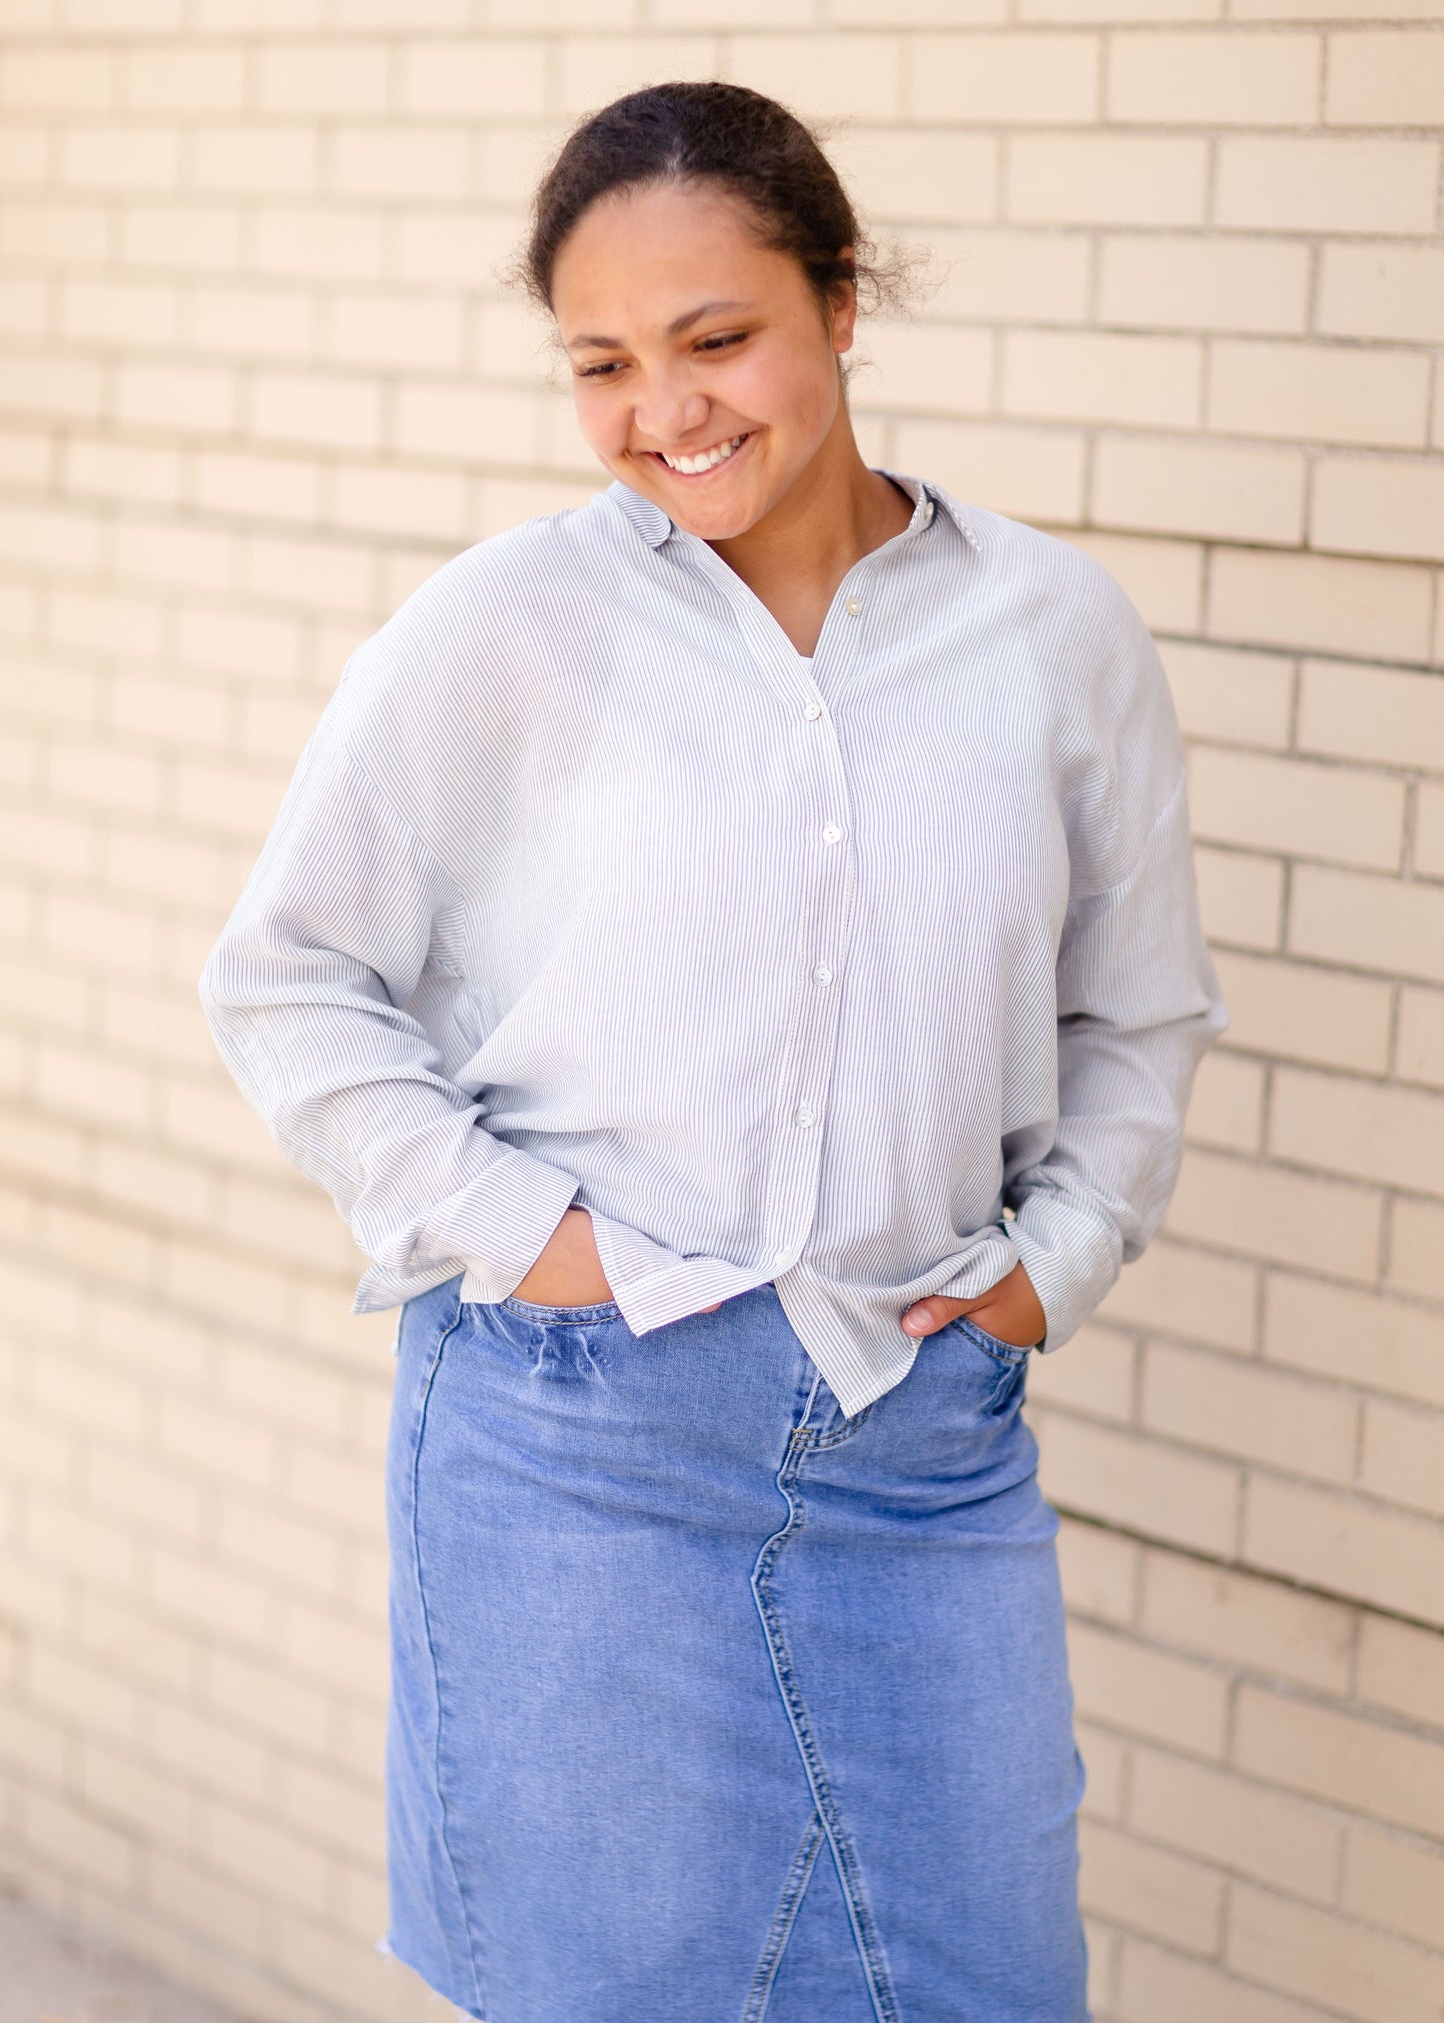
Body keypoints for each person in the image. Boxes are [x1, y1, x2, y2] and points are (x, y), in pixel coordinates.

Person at [199, 81, 1226, 2023]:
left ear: (844, 302)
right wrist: (547, 1250)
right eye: (603, 363)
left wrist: (1054, 1262)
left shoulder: (1051, 633)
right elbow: (288, 978)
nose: (664, 409)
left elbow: (1139, 1008)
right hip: (582, 1436)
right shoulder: (507, 629)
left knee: (984, 1988)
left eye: (716, 337)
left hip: (923, 1451)